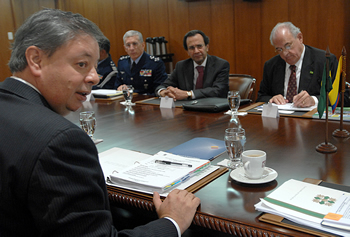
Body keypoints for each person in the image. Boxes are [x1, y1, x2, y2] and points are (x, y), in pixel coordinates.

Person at [0, 9, 200, 237]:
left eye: (95, 65)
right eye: (82, 64)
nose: (95, 77)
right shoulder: (60, 140)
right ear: (36, 60)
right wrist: (172, 222)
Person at [256, 22, 338, 108]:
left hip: (310, 119)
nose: (284, 53)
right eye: (279, 49)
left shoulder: (325, 61)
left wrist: (314, 100)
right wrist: (272, 99)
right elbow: (261, 97)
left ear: (300, 38)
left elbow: (343, 97)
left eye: (288, 46)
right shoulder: (271, 65)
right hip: (280, 118)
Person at [155, 30, 229, 101]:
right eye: (191, 48)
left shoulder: (221, 65)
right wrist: (162, 92)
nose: (196, 51)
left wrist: (188, 94)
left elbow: (218, 90)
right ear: (187, 51)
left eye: (199, 46)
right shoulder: (181, 66)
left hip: (212, 109)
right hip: (187, 109)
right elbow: (164, 85)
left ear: (207, 47)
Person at [115, 30, 168, 95]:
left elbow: (160, 88)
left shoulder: (155, 63)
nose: (131, 48)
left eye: (135, 44)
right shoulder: (122, 62)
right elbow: (117, 84)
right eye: (128, 45)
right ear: (125, 48)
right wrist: (120, 87)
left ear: (143, 45)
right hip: (126, 100)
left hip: (147, 101)